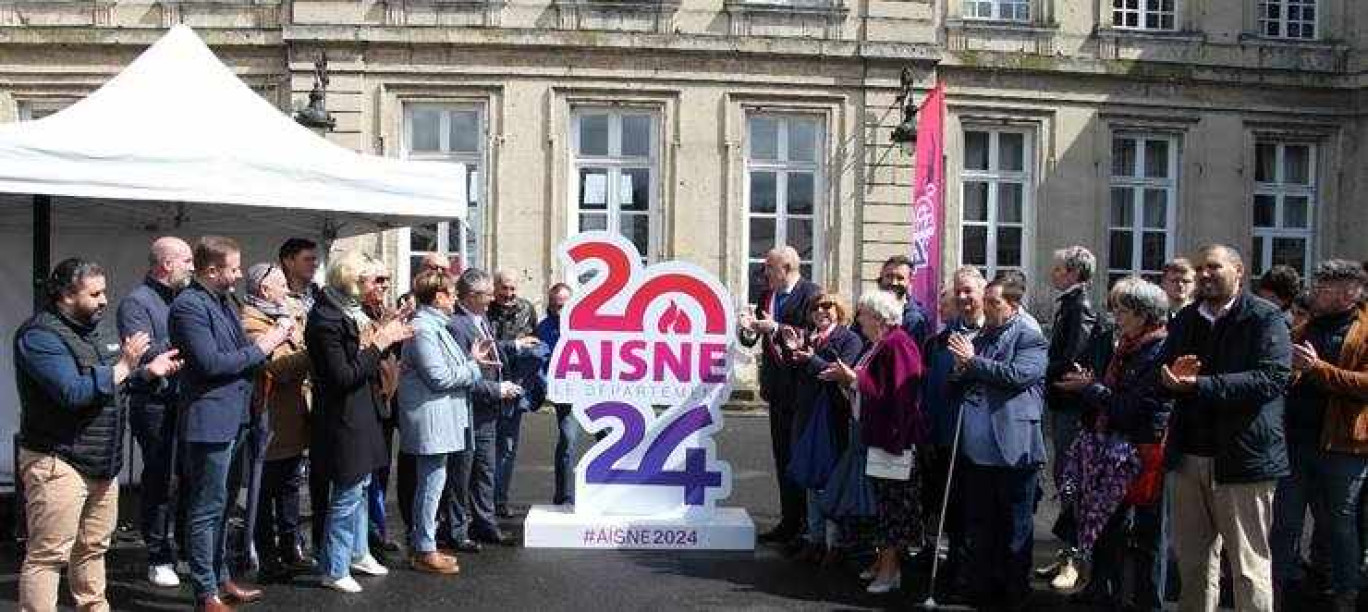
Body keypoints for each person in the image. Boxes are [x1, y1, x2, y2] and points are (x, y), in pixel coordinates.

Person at [15, 258, 181, 612]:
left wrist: (147, 372)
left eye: (104, 291)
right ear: (65, 295)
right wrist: (123, 366)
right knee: (48, 555)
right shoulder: (39, 336)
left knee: (93, 547)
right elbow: (72, 392)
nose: (105, 300)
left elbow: (113, 386)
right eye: (95, 294)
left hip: (102, 462)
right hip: (57, 459)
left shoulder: (97, 331)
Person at [1160, 244, 1291, 612]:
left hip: (1244, 460)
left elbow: (1271, 379)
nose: (1204, 274)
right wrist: (1169, 379)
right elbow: (1168, 372)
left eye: (1214, 267)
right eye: (1200, 267)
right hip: (1189, 457)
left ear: (1239, 271)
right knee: (1194, 565)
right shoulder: (1186, 319)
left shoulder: (1265, 317)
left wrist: (1199, 385)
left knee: (1249, 567)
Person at [170, 236, 291, 611]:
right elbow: (209, 363)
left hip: (237, 416)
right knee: (206, 506)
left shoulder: (223, 301)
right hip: (209, 419)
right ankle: (205, 590)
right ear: (211, 270)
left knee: (224, 506)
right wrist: (264, 345)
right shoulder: (189, 306)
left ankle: (222, 578)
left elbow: (235, 355)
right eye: (234, 269)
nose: (239, 275)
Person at [1055, 276, 1174, 610]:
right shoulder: (1124, 347)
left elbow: (1133, 408)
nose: (1116, 317)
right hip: (1111, 451)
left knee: (1135, 535)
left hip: (1139, 453)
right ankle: (1101, 589)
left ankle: (1133, 598)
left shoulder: (1158, 349)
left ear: (1142, 313)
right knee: (1107, 527)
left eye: (1122, 310)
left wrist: (1089, 389)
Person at [306, 251, 412, 593]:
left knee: (363, 487)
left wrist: (383, 336)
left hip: (362, 411)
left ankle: (358, 552)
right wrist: (381, 341)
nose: (374, 286)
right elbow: (343, 375)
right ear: (351, 280)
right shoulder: (326, 319)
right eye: (368, 279)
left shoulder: (348, 313)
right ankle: (334, 568)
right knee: (348, 491)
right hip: (342, 416)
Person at [948, 273, 1048, 611]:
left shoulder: (1030, 337)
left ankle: (1014, 592)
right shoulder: (985, 334)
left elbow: (1018, 376)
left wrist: (972, 362)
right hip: (978, 450)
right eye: (986, 301)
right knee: (980, 524)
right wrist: (961, 369)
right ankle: (981, 586)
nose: (986, 308)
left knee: (1015, 527)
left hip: (1013, 448)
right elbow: (964, 374)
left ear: (1014, 305)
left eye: (994, 303)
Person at [1273, 260, 1368, 612]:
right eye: (1318, 284)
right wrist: (1293, 374)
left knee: (1341, 523)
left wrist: (1318, 369)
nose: (1317, 291)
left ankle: (1346, 593)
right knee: (1285, 521)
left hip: (1344, 445)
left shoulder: (1363, 329)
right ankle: (1276, 592)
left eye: (1326, 287)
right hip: (1296, 441)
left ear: (1350, 293)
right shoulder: (1305, 326)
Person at [821, 290, 923, 594]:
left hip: (894, 441)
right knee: (882, 506)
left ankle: (890, 572)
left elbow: (899, 394)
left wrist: (852, 378)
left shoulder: (898, 343)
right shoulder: (880, 343)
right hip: (877, 437)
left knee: (892, 509)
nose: (859, 319)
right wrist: (850, 380)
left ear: (878, 317)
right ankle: (883, 565)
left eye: (863, 313)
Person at [397, 269, 496, 575]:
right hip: (431, 418)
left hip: (440, 417)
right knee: (430, 484)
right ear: (438, 297)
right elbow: (438, 377)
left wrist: (470, 362)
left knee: (433, 483)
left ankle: (423, 545)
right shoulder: (424, 328)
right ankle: (424, 548)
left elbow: (449, 368)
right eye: (452, 294)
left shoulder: (436, 325)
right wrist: (473, 369)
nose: (456, 299)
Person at [116, 236, 193, 588]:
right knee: (160, 479)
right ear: (166, 264)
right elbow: (145, 356)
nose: (193, 267)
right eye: (187, 260)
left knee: (190, 478)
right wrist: (193, 343)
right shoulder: (136, 302)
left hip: (187, 402)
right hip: (155, 405)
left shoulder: (186, 299)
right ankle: (158, 555)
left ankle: (185, 548)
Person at [738, 246, 823, 546]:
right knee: (782, 456)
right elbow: (753, 340)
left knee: (800, 457)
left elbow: (814, 334)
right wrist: (747, 329)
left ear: (786, 268)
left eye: (768, 269)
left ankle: (805, 527)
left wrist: (775, 327)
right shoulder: (766, 296)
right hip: (776, 390)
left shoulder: (812, 294)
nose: (764, 275)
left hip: (803, 391)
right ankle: (788, 521)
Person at [240, 263, 313, 582]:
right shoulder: (251, 321)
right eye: (280, 284)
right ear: (263, 291)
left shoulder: (286, 318)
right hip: (270, 418)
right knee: (265, 489)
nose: (286, 289)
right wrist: (316, 354)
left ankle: (291, 547)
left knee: (290, 487)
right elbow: (277, 368)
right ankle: (267, 556)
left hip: (293, 417)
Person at [446, 268, 529, 546]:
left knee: (485, 470)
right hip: (469, 411)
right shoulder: (457, 325)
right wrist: (498, 389)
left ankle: (485, 524)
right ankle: (457, 531)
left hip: (488, 412)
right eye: (488, 294)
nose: (493, 298)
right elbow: (461, 375)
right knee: (462, 473)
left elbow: (493, 355)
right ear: (471, 296)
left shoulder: (481, 319)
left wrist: (514, 351)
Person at [918, 267, 987, 601]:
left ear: (983, 294)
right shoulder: (940, 340)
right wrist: (929, 432)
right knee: (953, 507)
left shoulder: (993, 335)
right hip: (947, 433)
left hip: (982, 438)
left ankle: (975, 571)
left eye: (968, 291)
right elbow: (931, 392)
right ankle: (955, 568)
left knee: (978, 509)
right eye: (958, 292)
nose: (962, 298)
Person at [1039, 245, 1102, 591]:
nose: (1053, 273)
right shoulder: (1068, 303)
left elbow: (1073, 358)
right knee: (1064, 480)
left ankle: (1075, 561)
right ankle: (1067, 554)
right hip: (1060, 403)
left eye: (1059, 269)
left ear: (1074, 273)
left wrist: (1039, 369)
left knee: (1072, 484)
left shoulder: (1082, 306)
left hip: (1071, 407)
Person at [787, 293, 863, 565]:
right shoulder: (809, 338)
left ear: (839, 310)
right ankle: (814, 538)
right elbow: (799, 375)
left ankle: (835, 544)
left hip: (835, 419)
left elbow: (840, 373)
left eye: (827, 306)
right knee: (810, 479)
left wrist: (809, 359)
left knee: (830, 480)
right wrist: (796, 355)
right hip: (808, 416)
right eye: (815, 307)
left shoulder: (849, 339)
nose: (821, 311)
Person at [487, 269, 540, 518]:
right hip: (487, 387)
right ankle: (480, 503)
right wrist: (514, 346)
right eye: (503, 288)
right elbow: (484, 347)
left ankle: (499, 500)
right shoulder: (485, 309)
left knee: (507, 448)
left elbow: (534, 343)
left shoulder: (528, 309)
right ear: (495, 287)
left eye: (512, 289)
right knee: (482, 450)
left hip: (515, 388)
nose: (508, 294)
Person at [536, 282, 578, 506]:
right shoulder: (544, 328)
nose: (559, 311)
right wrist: (548, 388)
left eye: (563, 306)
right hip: (565, 395)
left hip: (593, 393)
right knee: (568, 441)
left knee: (607, 440)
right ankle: (564, 497)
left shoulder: (589, 326)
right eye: (555, 306)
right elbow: (542, 363)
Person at [875, 255, 932, 344]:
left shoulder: (914, 319)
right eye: (889, 276)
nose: (893, 282)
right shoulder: (868, 310)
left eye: (900, 278)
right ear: (881, 277)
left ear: (910, 280)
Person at [278, 238, 320, 313]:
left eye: (314, 259)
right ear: (288, 262)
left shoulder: (320, 294)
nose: (314, 264)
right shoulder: (274, 296)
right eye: (307, 259)